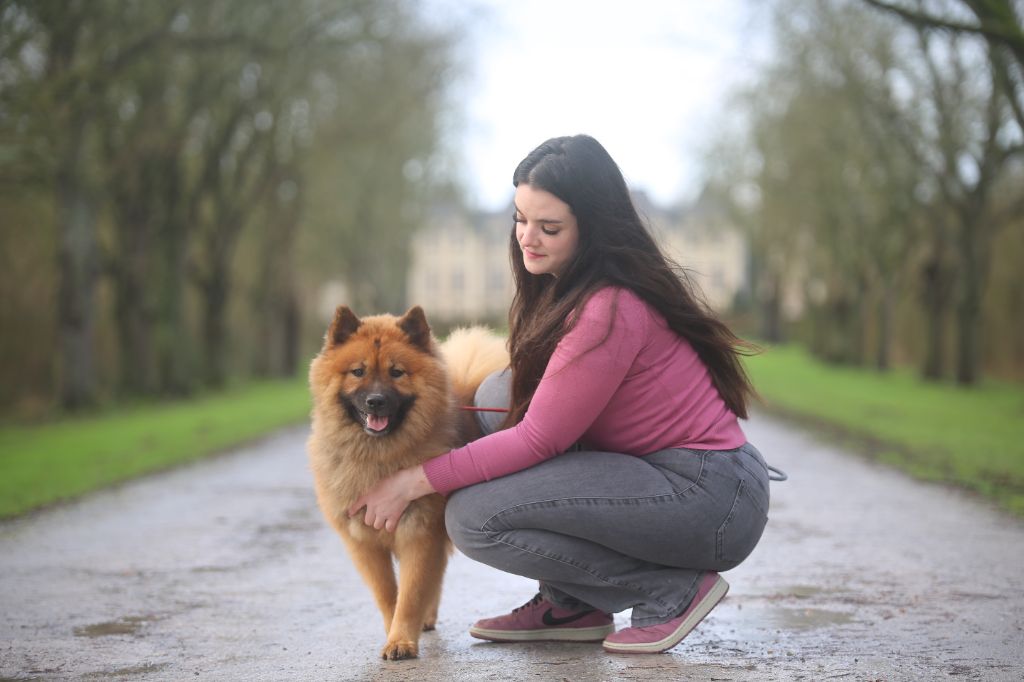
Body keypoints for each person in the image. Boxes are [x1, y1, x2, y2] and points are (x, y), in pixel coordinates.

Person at [350, 134, 780, 655]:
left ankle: (672, 592)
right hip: (675, 478)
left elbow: (539, 440)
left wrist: (412, 481)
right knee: (499, 392)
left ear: (591, 228)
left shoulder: (609, 309)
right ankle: (573, 601)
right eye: (519, 219)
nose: (527, 238)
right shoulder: (565, 288)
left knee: (471, 517)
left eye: (548, 227)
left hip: (709, 498)